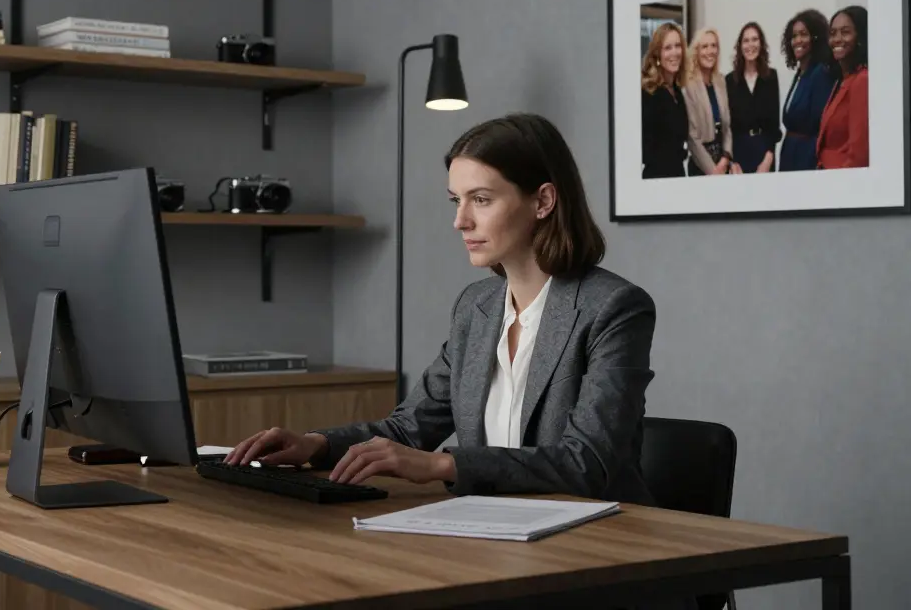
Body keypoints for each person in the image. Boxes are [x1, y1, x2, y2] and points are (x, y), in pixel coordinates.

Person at [226, 112, 659, 505]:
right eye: (456, 200)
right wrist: (314, 445)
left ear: (543, 201)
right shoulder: (476, 307)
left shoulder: (613, 308)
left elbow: (587, 462)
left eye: (481, 199)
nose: (461, 221)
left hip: (600, 545)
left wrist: (441, 465)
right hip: (496, 531)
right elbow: (408, 429)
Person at [778, 8, 835, 171]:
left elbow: (820, 125)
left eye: (803, 34)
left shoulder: (820, 73)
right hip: (790, 153)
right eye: (794, 36)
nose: (797, 40)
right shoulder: (800, 73)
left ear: (815, 37)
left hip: (806, 158)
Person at [817, 5, 869, 169]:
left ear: (860, 37)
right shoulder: (841, 80)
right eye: (833, 33)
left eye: (845, 32)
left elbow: (859, 155)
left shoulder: (862, 80)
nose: (837, 39)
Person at [682, 28, 740, 175]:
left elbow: (727, 126)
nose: (710, 51)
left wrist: (726, 158)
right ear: (696, 51)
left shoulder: (721, 80)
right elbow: (692, 136)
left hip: (723, 161)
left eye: (714, 46)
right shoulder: (688, 84)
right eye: (705, 46)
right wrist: (713, 171)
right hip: (700, 166)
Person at [725, 22, 780, 173]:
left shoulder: (771, 77)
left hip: (764, 151)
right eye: (746, 40)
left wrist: (768, 160)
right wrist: (732, 162)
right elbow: (727, 127)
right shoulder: (730, 80)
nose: (750, 45)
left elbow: (774, 125)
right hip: (739, 154)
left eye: (755, 39)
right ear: (740, 46)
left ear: (761, 44)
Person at [640, 22, 690, 178]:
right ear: (657, 55)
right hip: (657, 179)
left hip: (677, 175)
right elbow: (645, 150)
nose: (674, 52)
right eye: (667, 48)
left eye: (677, 46)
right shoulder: (649, 93)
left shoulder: (677, 91)